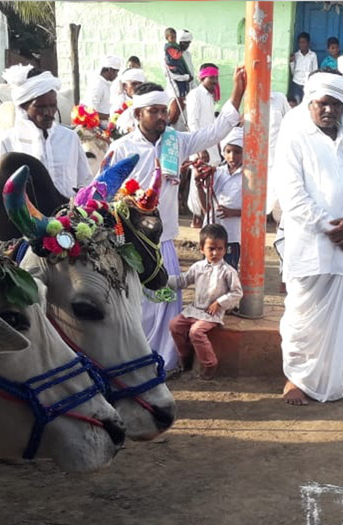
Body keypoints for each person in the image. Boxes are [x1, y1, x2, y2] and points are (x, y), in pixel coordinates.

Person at [104, 70, 248, 373]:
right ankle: (134, 361)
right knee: (135, 304)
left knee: (167, 301)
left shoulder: (176, 142)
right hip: (130, 242)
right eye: (153, 111)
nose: (160, 116)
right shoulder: (122, 149)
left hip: (164, 239)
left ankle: (164, 363)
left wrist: (236, 95)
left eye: (162, 110)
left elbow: (213, 133)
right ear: (138, 114)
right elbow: (103, 191)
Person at [273, 72, 343, 405]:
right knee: (303, 314)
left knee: (340, 315)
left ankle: (330, 377)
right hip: (309, 242)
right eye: (322, 104)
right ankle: (297, 379)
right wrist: (330, 228)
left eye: (336, 104)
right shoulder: (294, 131)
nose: (329, 110)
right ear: (310, 102)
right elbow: (292, 194)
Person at [0, 69, 92, 194]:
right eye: (40, 107)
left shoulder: (69, 138)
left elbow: (85, 182)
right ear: (23, 107)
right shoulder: (7, 141)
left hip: (68, 211)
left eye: (53, 106)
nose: (48, 113)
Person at [169, 224, 244, 379]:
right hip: (194, 309)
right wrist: (163, 280)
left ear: (225, 249)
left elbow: (237, 293)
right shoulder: (198, 267)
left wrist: (220, 303)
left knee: (196, 332)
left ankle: (210, 364)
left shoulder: (228, 271)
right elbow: (183, 281)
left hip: (211, 313)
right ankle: (185, 358)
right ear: (202, 248)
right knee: (174, 325)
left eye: (220, 248)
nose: (215, 252)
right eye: (211, 248)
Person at [211, 129, 245, 269]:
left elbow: (256, 210)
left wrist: (233, 213)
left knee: (229, 269)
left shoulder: (249, 176)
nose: (232, 157)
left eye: (237, 152)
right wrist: (199, 184)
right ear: (223, 152)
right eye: (228, 151)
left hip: (233, 235)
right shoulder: (217, 172)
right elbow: (205, 205)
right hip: (213, 232)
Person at [185, 63, 223, 160]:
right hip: (201, 150)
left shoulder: (209, 96)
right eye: (211, 77)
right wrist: (200, 148)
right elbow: (192, 123)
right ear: (202, 78)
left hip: (212, 147)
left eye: (216, 78)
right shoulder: (195, 94)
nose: (215, 81)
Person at [85, 55, 122, 124]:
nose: (116, 75)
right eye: (116, 72)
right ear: (109, 70)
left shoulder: (105, 84)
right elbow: (90, 111)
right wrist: (110, 116)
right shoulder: (98, 84)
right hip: (97, 126)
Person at [164, 28, 194, 100]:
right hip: (175, 91)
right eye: (184, 43)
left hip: (188, 91)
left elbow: (191, 73)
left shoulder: (187, 54)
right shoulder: (167, 54)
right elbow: (169, 74)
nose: (187, 45)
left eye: (188, 43)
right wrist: (185, 77)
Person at [290, 32, 319, 103]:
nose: (302, 45)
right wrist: (292, 62)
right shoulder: (296, 55)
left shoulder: (313, 55)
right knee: (297, 103)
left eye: (304, 42)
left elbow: (315, 70)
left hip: (308, 83)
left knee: (307, 103)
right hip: (297, 83)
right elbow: (293, 72)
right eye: (300, 42)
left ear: (308, 43)